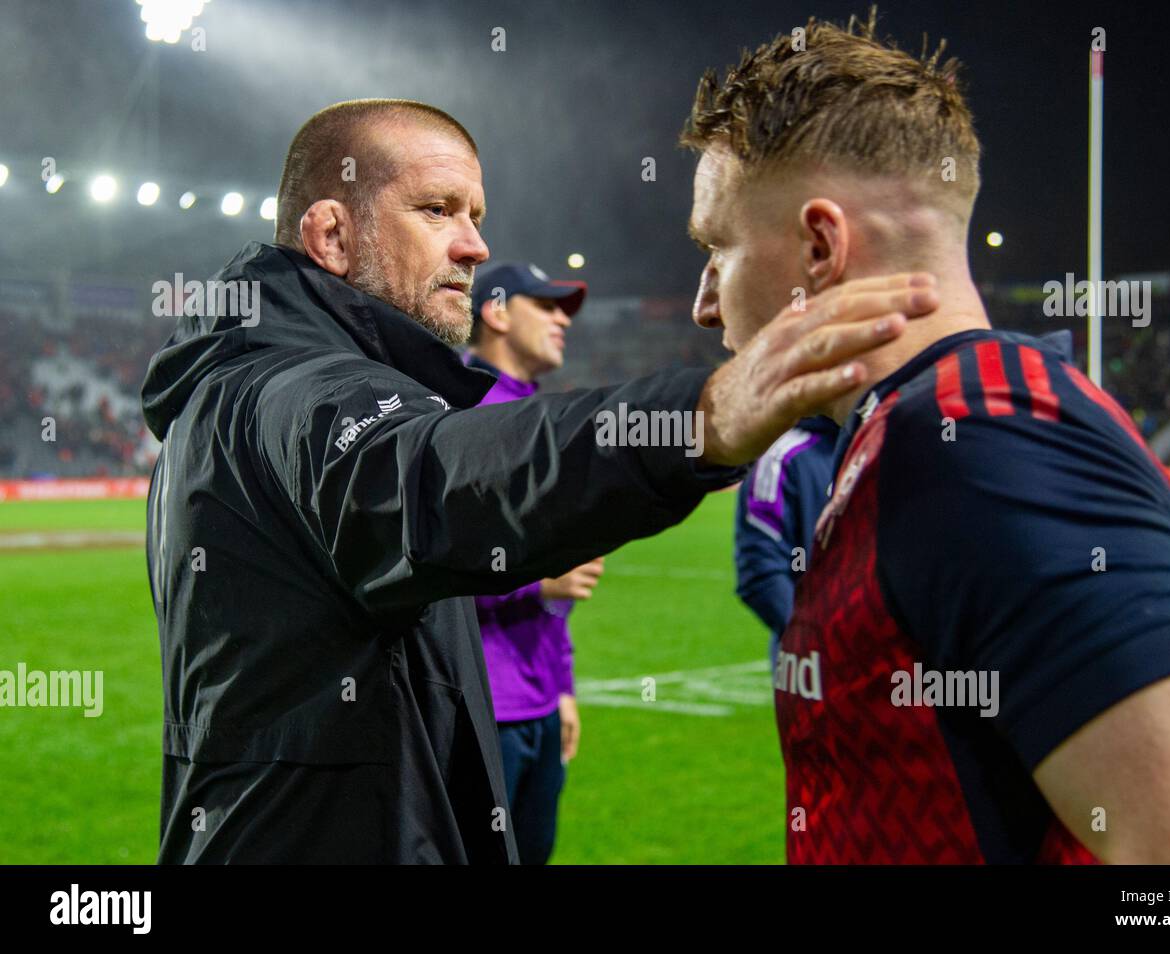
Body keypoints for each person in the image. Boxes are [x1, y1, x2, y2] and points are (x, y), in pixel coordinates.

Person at [141, 97, 936, 863]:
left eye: (476, 215)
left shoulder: (236, 391)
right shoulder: (290, 393)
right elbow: (435, 481)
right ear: (333, 236)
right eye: (437, 209)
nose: (474, 246)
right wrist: (699, 417)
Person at [681, 15, 1170, 863]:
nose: (704, 303)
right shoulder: (902, 430)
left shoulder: (992, 434)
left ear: (820, 245)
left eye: (717, 249)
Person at [464, 261, 600, 863]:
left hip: (538, 703)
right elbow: (427, 569)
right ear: (495, 312)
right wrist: (537, 584)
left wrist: (562, 687)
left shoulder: (536, 413)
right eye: (545, 306)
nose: (561, 320)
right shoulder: (460, 411)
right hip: (483, 705)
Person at [733, 416, 837, 670]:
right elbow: (761, 572)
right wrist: (816, 640)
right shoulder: (783, 456)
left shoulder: (876, 440)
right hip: (814, 660)